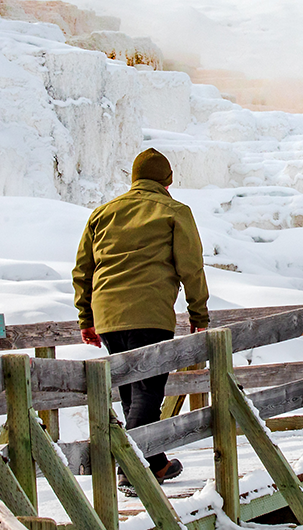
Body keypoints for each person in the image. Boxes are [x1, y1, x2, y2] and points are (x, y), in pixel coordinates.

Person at [74, 148, 209, 484]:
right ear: (168, 181)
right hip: (149, 313)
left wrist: (86, 318)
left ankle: (156, 463)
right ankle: (130, 471)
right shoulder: (175, 211)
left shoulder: (103, 213)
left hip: (107, 316)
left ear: (134, 178)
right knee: (149, 391)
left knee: (130, 391)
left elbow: (83, 269)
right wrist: (199, 313)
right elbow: (190, 267)